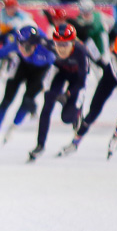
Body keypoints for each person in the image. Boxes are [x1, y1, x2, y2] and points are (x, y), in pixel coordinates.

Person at [58, 33, 117, 160]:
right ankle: (75, 142)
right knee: (94, 110)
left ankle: (116, 138)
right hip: (111, 77)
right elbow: (99, 61)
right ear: (115, 53)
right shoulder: (112, 59)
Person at [0, 25, 55, 147]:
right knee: (6, 99)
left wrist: (49, 85)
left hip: (40, 71)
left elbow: (57, 66)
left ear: (35, 45)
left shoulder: (48, 49)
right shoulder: (17, 45)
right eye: (20, 46)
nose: (22, 50)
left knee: (27, 100)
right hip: (22, 66)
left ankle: (14, 127)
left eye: (26, 48)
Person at [28, 24, 89, 161]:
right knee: (47, 102)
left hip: (77, 79)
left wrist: (67, 94)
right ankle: (40, 145)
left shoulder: (81, 52)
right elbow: (36, 37)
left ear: (73, 42)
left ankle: (77, 112)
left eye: (65, 44)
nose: (61, 48)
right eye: (58, 44)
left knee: (67, 118)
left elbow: (82, 82)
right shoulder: (50, 45)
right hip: (61, 73)